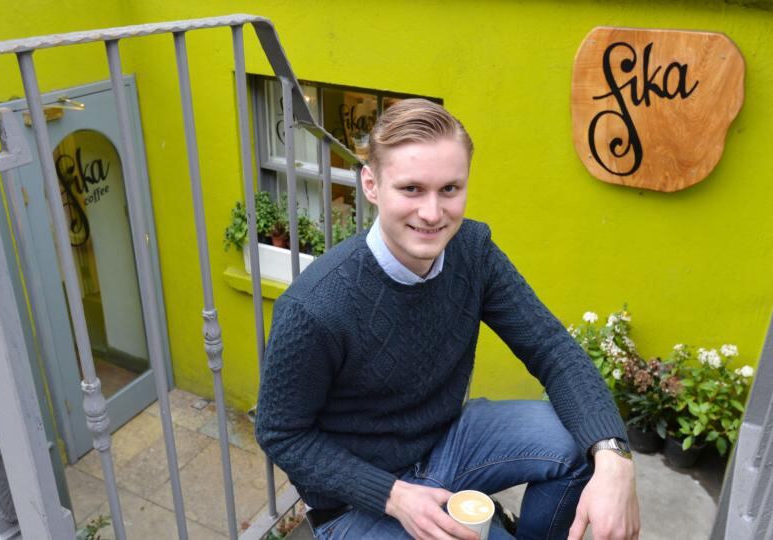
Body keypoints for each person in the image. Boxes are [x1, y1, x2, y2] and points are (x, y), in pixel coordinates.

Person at [255, 99, 640, 540]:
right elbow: (282, 433)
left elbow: (552, 348)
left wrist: (615, 457)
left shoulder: (472, 252)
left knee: (584, 440)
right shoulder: (314, 307)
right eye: (412, 189)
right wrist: (393, 495)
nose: (433, 213)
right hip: (358, 501)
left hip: (447, 444)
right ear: (371, 185)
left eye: (450, 189)